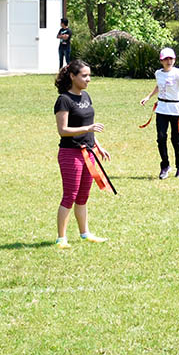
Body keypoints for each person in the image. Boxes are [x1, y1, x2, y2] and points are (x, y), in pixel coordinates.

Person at [53, 59, 110, 248]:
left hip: (89, 152)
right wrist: (89, 127)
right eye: (84, 76)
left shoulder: (86, 96)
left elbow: (89, 130)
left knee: (83, 196)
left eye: (89, 75)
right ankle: (61, 238)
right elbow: (63, 130)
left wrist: (97, 146)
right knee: (70, 195)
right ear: (72, 76)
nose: (88, 79)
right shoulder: (64, 100)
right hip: (71, 153)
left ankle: (85, 233)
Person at [141, 47, 179, 179]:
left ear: (174, 59)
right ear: (161, 60)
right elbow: (158, 86)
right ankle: (165, 166)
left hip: (175, 109)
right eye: (166, 59)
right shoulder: (158, 73)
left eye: (171, 58)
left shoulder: (178, 73)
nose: (169, 61)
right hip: (161, 108)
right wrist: (148, 97)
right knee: (161, 138)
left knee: (176, 139)